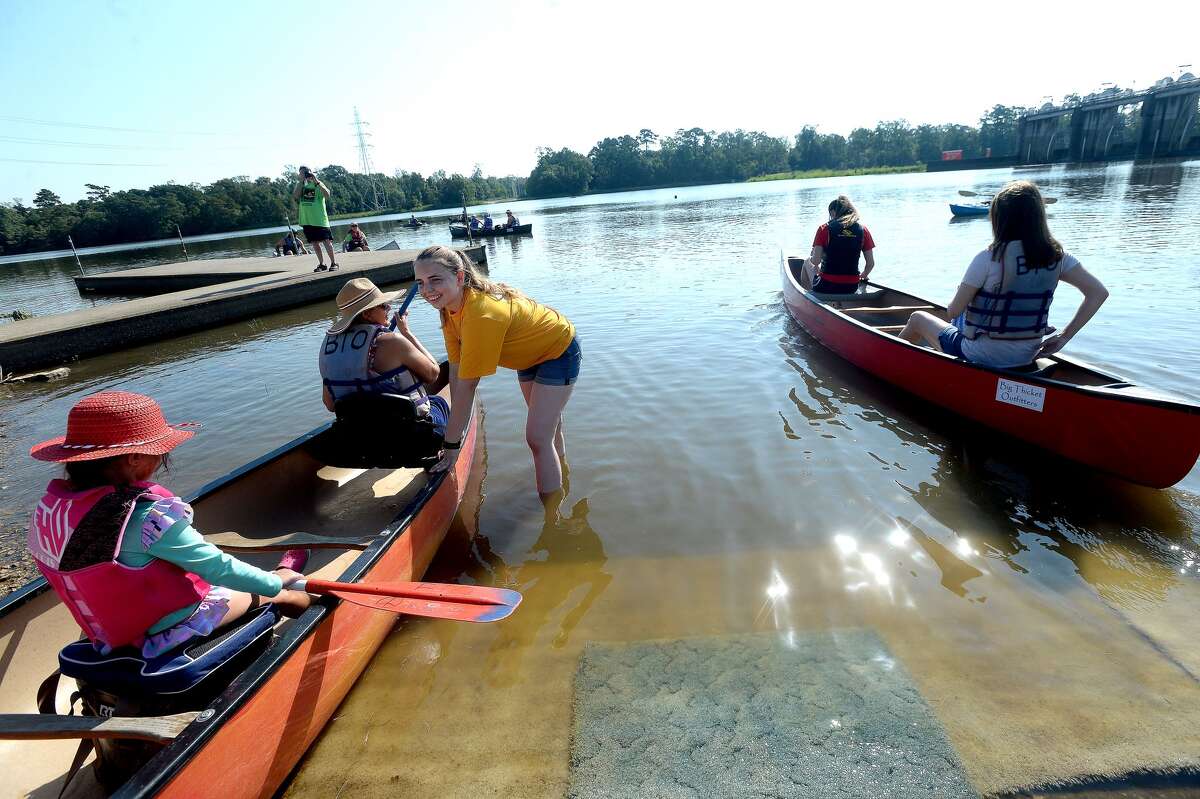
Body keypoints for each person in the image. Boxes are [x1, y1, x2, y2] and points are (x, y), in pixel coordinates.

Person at [27, 391, 313, 659]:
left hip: (108, 632)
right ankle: (309, 609)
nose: (162, 459)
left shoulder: (51, 509)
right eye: (158, 451)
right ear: (135, 458)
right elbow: (218, 567)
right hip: (169, 627)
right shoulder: (147, 515)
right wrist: (274, 583)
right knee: (273, 594)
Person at [413, 245, 580, 499]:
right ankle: (559, 476)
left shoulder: (480, 314)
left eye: (435, 280)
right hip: (527, 356)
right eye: (421, 283)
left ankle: (551, 515)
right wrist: (453, 435)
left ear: (459, 277)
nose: (427, 291)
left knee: (537, 438)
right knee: (546, 430)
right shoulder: (448, 309)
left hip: (557, 349)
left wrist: (451, 446)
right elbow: (457, 373)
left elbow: (468, 386)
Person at [899, 180, 1109, 368]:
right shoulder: (1058, 257)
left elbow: (953, 311)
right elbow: (1098, 293)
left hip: (981, 355)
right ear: (1038, 216)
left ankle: (897, 367)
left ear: (999, 218)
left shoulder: (988, 257)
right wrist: (1063, 338)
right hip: (1028, 355)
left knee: (917, 318)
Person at [318, 278, 450, 437]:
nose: (389, 307)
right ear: (367, 314)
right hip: (408, 434)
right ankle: (451, 449)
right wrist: (407, 334)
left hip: (362, 433)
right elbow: (433, 374)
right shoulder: (393, 341)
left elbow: (330, 404)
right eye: (383, 305)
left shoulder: (328, 349)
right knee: (439, 402)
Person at [804, 195, 876, 294]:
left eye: (830, 214)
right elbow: (870, 264)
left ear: (833, 212)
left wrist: (812, 256)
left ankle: (807, 297)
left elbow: (816, 261)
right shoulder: (863, 230)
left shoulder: (824, 229)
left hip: (827, 285)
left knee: (806, 262)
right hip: (852, 286)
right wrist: (864, 275)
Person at [292, 166, 338, 272]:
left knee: (327, 241)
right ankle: (322, 264)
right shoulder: (301, 185)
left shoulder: (317, 184)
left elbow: (327, 195)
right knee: (314, 243)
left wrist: (316, 181)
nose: (303, 175)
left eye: (305, 173)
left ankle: (333, 262)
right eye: (301, 173)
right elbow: (295, 196)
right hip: (307, 220)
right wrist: (301, 182)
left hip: (320, 220)